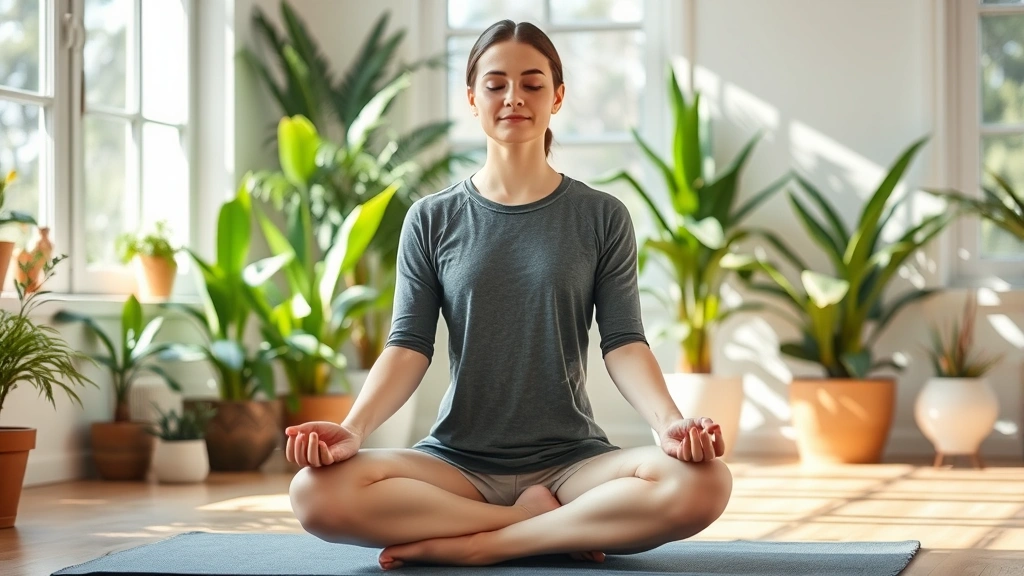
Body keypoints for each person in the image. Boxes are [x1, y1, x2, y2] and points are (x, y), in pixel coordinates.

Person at [285, 19, 732, 570]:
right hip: (455, 463)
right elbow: (407, 346)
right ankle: (533, 526)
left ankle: (483, 545)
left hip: (572, 463)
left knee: (705, 484)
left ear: (557, 96)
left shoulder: (601, 216)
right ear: (472, 99)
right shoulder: (431, 219)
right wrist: (353, 430)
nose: (513, 97)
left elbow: (623, 341)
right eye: (495, 84)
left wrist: (669, 425)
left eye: (532, 83)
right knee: (313, 493)